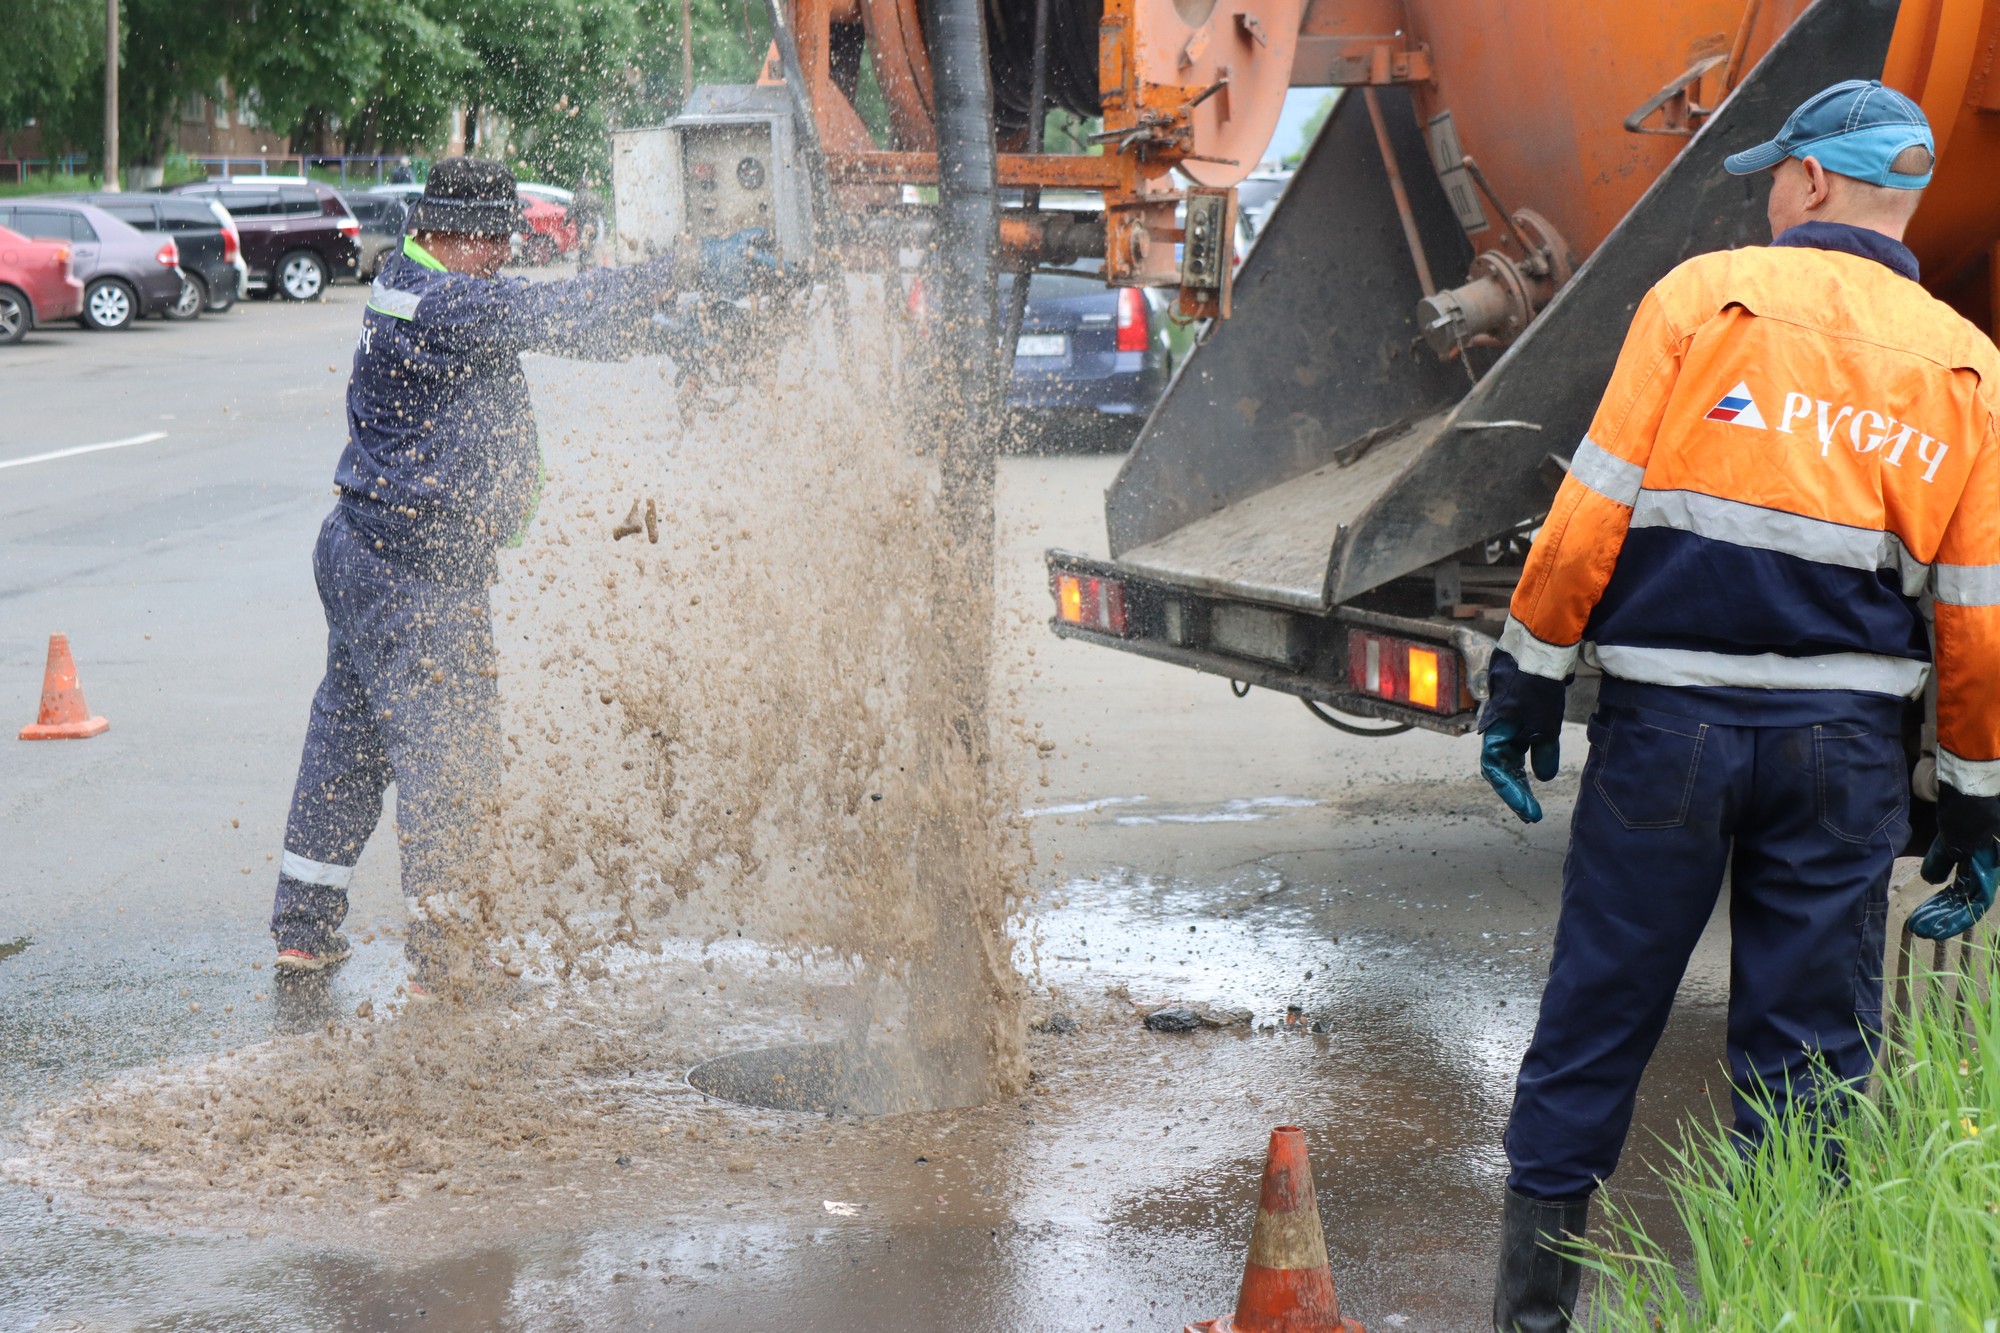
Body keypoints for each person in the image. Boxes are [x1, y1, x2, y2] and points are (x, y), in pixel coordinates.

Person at [1478, 82, 2000, 1330]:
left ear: (1813, 182)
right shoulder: (1966, 364)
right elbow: (1977, 617)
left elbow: (1588, 513)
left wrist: (1524, 681)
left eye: (1775, 174)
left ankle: (1531, 1322)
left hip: (1666, 735)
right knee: (1810, 1059)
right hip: (1844, 757)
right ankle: (1783, 1306)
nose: (1766, 196)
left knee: (1595, 1017)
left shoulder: (1702, 298)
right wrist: (1976, 808)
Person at [266, 157, 765, 992]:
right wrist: (680, 268)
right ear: (457, 232)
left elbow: (551, 327)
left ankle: (303, 927)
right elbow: (555, 308)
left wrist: (670, 332)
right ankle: (447, 959)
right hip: (419, 577)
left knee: (346, 742)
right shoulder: (448, 299)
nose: (503, 254)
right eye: (496, 239)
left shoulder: (408, 279)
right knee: (451, 760)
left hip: (362, 548)